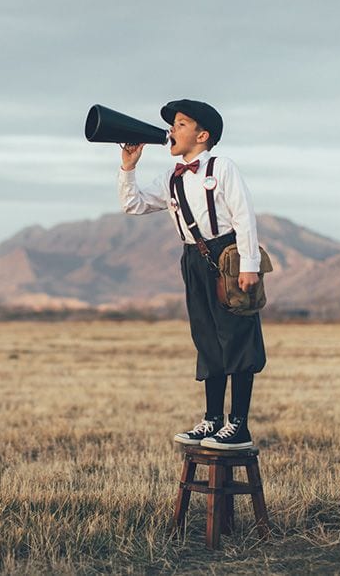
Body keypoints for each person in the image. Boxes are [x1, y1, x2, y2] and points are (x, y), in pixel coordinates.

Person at [118, 99, 266, 450]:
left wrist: (249, 265)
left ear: (202, 135)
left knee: (238, 337)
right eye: (173, 124)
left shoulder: (222, 166)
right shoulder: (170, 177)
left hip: (227, 255)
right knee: (207, 338)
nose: (172, 129)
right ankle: (212, 419)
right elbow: (133, 204)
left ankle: (239, 425)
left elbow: (244, 215)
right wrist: (128, 167)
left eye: (181, 124)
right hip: (194, 260)